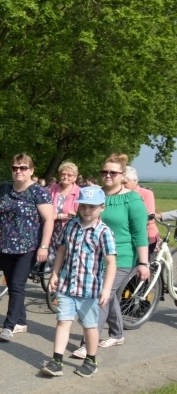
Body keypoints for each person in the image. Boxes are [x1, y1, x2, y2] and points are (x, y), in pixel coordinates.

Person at [70, 154, 147, 357]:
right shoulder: (94, 195)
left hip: (121, 258)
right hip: (94, 258)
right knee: (109, 296)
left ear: (122, 175)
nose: (108, 175)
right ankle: (117, 333)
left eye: (113, 172)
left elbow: (140, 233)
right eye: (104, 172)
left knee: (98, 297)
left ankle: (87, 343)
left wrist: (143, 263)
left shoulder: (132, 199)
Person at [42, 186, 116, 378]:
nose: (87, 210)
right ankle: (56, 360)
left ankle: (91, 359)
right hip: (67, 285)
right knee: (62, 322)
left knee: (89, 325)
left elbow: (111, 263)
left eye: (92, 207)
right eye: (83, 206)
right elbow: (61, 250)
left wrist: (106, 289)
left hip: (89, 289)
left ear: (102, 208)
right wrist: (55, 273)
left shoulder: (104, 232)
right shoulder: (71, 226)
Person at [0, 153, 54, 341]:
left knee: (17, 286)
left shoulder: (38, 192)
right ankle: (21, 322)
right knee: (12, 285)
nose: (18, 171)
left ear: (31, 171)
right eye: (15, 167)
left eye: (23, 168)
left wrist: (44, 246)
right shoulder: (4, 191)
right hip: (5, 246)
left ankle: (8, 326)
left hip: (28, 247)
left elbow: (49, 219)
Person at [47, 161, 81, 261]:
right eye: (63, 174)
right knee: (50, 260)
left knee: (66, 260)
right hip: (52, 231)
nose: (65, 177)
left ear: (75, 177)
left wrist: (58, 216)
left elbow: (79, 214)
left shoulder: (79, 192)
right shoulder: (52, 189)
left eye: (69, 175)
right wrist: (60, 216)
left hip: (69, 232)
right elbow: (46, 208)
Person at [122, 167, 158, 255]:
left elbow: (149, 217)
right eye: (120, 183)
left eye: (125, 183)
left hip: (146, 234)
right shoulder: (121, 194)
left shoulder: (146, 193)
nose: (122, 185)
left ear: (135, 181)